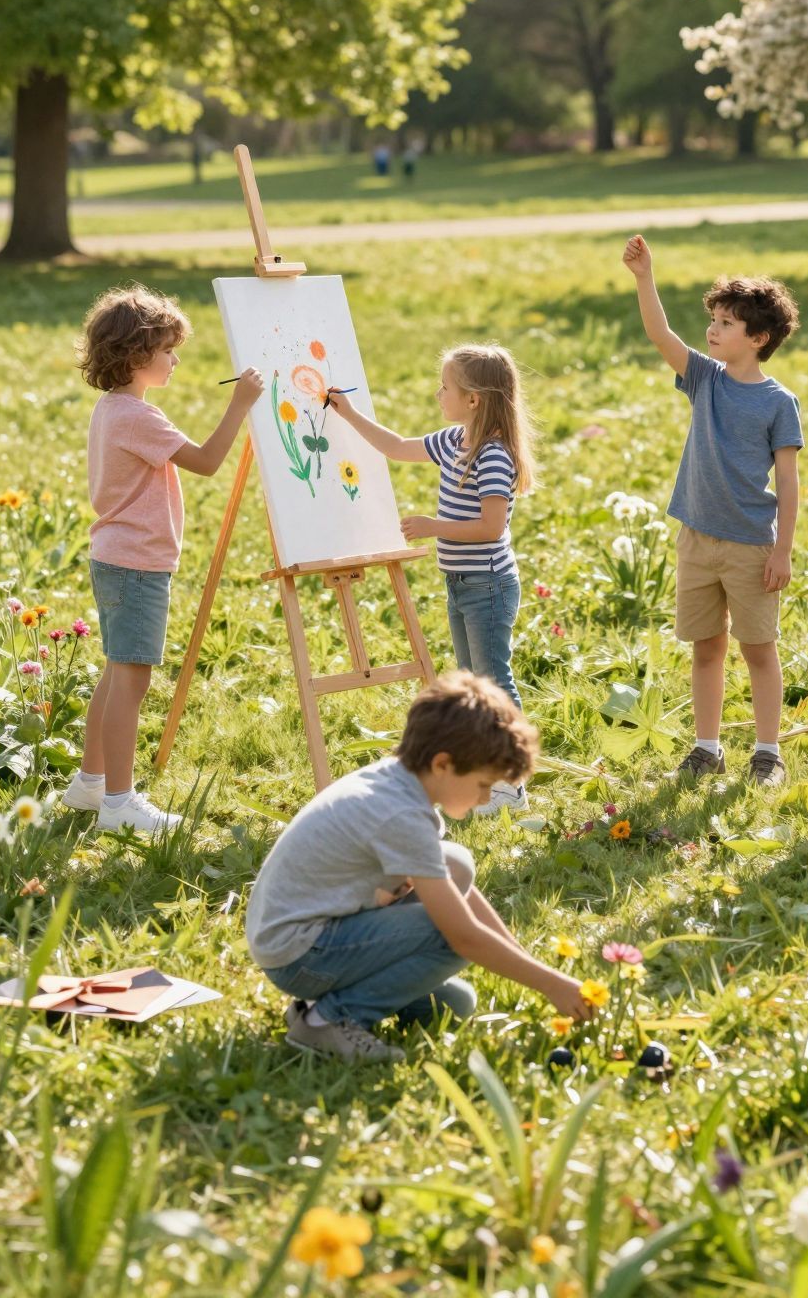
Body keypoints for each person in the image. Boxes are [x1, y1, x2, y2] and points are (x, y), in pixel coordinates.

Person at [246, 671, 588, 1064]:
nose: (484, 799)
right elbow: (464, 935)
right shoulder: (399, 815)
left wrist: (531, 967)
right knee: (449, 936)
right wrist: (550, 984)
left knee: (453, 1000)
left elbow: (461, 896)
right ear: (443, 764)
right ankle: (327, 1021)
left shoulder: (402, 783)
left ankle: (317, 1004)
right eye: (482, 784)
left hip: (310, 935)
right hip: (298, 953)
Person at [67, 285, 263, 835]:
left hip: (118, 559)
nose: (175, 361)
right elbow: (206, 461)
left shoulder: (112, 409)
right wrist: (239, 404)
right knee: (131, 682)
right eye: (168, 350)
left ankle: (90, 783)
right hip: (136, 564)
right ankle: (119, 803)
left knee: (116, 671)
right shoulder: (138, 417)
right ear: (136, 355)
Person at [622, 236, 802, 788]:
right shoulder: (704, 378)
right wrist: (644, 277)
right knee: (706, 648)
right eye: (713, 320)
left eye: (727, 323)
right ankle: (707, 749)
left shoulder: (778, 403)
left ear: (759, 338)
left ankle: (767, 754)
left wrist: (782, 551)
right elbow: (660, 334)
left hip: (751, 546)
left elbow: (788, 482)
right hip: (697, 539)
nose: (713, 330)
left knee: (759, 650)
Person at [328, 346, 535, 814]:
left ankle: (512, 782)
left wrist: (433, 526)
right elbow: (398, 448)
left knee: (493, 683)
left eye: (445, 387)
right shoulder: (454, 440)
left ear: (473, 399)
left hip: (489, 586)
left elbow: (491, 528)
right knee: (474, 684)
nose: (438, 394)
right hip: (461, 583)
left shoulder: (493, 455)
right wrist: (349, 413)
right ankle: (485, 777)